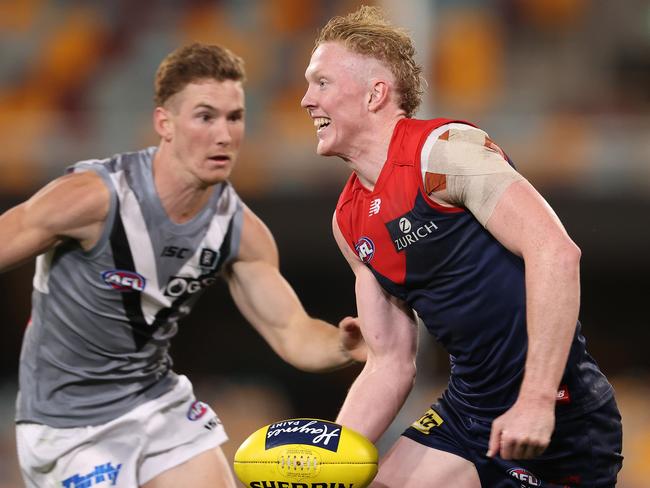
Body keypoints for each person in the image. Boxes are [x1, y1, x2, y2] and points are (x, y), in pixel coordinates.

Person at [1, 43, 365, 488]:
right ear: (164, 123)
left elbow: (291, 331)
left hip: (157, 405)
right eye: (205, 116)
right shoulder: (93, 198)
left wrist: (344, 345)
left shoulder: (238, 231)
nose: (224, 134)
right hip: (67, 425)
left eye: (235, 117)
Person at [300, 6, 623, 487]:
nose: (307, 100)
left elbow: (555, 252)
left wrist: (535, 399)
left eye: (322, 82)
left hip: (562, 416)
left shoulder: (444, 152)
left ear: (375, 93)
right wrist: (327, 465)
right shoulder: (347, 222)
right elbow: (390, 363)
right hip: (470, 410)